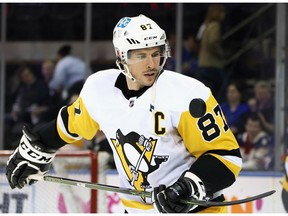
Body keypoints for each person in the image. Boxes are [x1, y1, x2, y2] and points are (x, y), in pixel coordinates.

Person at [6, 14, 242, 213]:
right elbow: (65, 126)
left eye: (156, 52)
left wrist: (187, 187)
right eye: (140, 55)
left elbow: (226, 157)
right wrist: (34, 149)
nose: (152, 63)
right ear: (121, 56)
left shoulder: (188, 94)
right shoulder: (99, 89)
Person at [196, 4, 226, 100]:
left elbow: (199, 40)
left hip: (202, 64)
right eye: (222, 12)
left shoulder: (205, 25)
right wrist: (220, 54)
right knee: (220, 92)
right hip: (213, 64)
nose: (224, 15)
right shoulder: (215, 25)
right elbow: (213, 42)